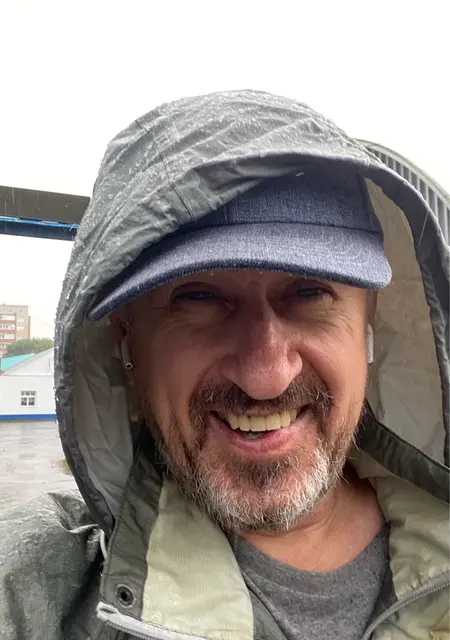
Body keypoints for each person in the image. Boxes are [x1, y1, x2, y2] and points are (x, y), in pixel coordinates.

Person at [1, 90, 448, 640]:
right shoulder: (31, 593)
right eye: (197, 297)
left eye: (309, 292)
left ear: (369, 321)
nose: (265, 376)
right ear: (125, 337)